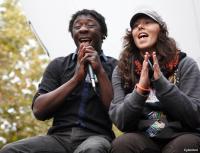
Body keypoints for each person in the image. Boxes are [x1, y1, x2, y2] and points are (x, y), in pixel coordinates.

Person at [0, 9, 117, 153]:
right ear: (73, 35)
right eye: (77, 26)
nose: (83, 29)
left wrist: (99, 71)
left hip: (96, 136)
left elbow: (116, 111)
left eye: (91, 25)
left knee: (92, 149)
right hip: (58, 139)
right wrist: (75, 79)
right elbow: (39, 110)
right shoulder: (58, 65)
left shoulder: (116, 67)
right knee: (10, 150)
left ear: (103, 34)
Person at [109, 9, 200, 153]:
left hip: (181, 135)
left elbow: (195, 116)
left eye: (147, 22)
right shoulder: (122, 70)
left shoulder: (185, 64)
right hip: (143, 137)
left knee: (187, 145)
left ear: (161, 31)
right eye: (135, 25)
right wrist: (140, 91)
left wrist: (161, 83)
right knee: (122, 143)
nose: (140, 27)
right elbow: (121, 121)